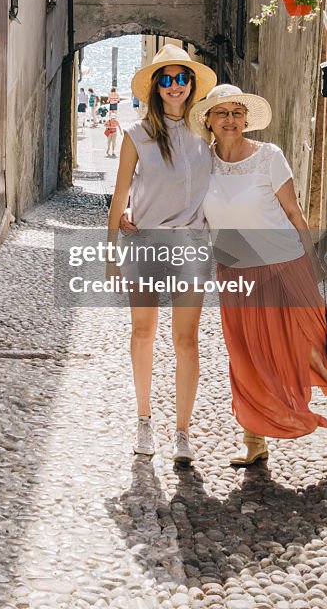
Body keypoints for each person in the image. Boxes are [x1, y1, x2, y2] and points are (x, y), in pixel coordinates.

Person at [189, 84, 327, 466]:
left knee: (313, 347)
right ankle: (254, 437)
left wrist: (311, 261)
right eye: (222, 113)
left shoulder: (269, 157)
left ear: (246, 119)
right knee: (247, 357)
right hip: (235, 273)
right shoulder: (201, 165)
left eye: (236, 112)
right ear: (209, 120)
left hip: (284, 266)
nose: (230, 120)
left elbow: (294, 212)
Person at [107, 45, 217, 465]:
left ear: (191, 85)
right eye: (166, 79)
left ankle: (183, 431)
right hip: (145, 243)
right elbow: (119, 197)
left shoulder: (204, 137)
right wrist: (110, 255)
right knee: (143, 332)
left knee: (186, 341)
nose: (175, 86)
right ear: (156, 87)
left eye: (181, 78)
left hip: (190, 245)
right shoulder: (137, 136)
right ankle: (143, 419)